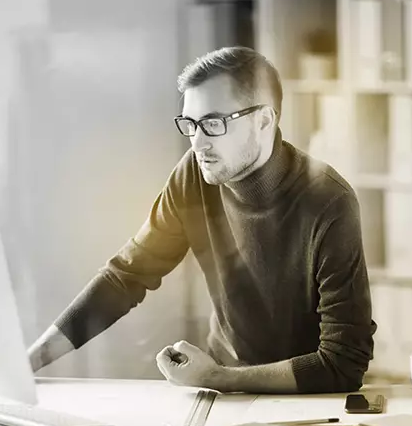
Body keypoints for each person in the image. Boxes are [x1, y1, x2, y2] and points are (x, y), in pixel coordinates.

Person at [27, 46, 376, 394]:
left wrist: (217, 378)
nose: (197, 143)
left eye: (213, 123)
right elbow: (126, 277)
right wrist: (28, 361)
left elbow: (343, 363)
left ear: (264, 121)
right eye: (191, 125)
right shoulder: (194, 175)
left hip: (305, 399)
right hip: (220, 391)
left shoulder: (329, 202)